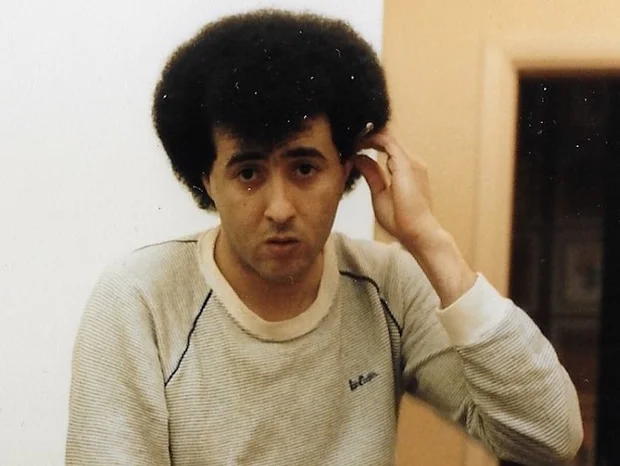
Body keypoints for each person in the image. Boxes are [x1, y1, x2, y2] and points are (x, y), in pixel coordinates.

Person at [65, 9, 583, 466]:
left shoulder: (389, 286)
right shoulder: (140, 299)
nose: (280, 208)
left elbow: (550, 437)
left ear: (348, 171)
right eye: (248, 173)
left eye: (305, 168)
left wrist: (428, 238)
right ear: (207, 180)